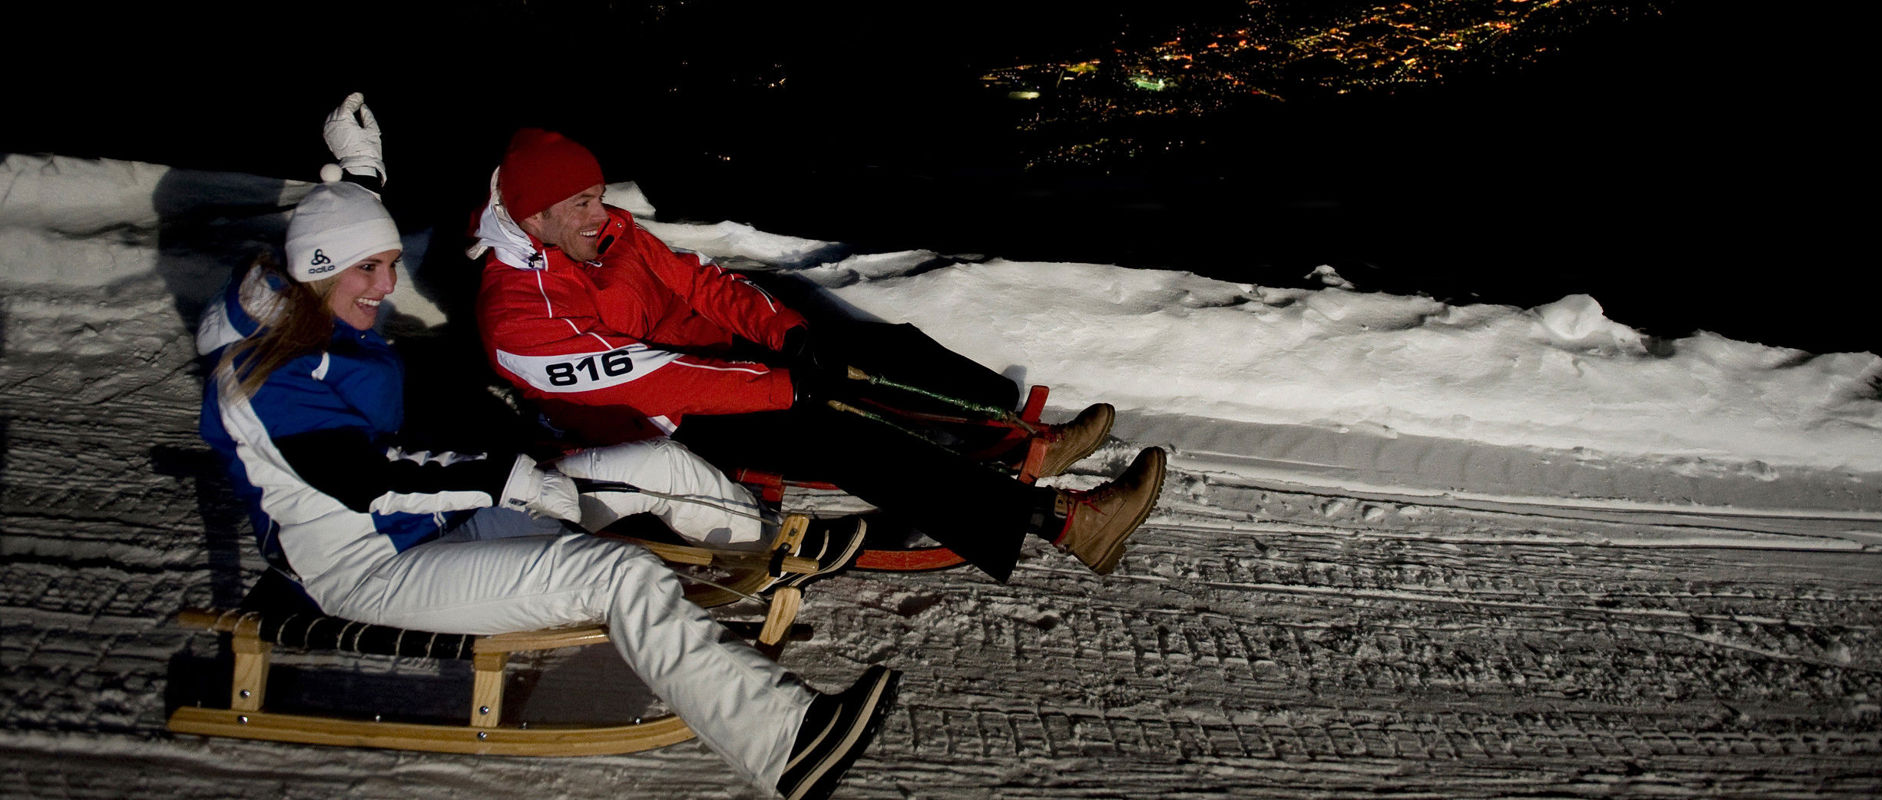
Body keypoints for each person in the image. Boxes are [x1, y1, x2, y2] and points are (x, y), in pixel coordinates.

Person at [197, 94, 893, 800]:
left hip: (441, 521)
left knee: (654, 464)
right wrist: (507, 478)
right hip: (371, 566)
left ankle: (767, 549)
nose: (385, 287)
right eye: (366, 271)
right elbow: (364, 482)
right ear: (318, 270)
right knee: (622, 577)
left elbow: (332, 240)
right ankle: (786, 742)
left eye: (385, 263)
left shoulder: (300, 297)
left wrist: (360, 173)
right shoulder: (269, 379)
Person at [470, 128, 1167, 581]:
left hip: (718, 359)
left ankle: (1021, 441)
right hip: (662, 422)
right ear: (535, 216)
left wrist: (785, 334)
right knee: (842, 429)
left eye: (598, 195)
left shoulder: (607, 234)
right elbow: (656, 380)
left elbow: (701, 283)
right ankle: (1068, 523)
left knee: (862, 346)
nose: (602, 211)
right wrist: (783, 386)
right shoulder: (516, 315)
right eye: (583, 203)